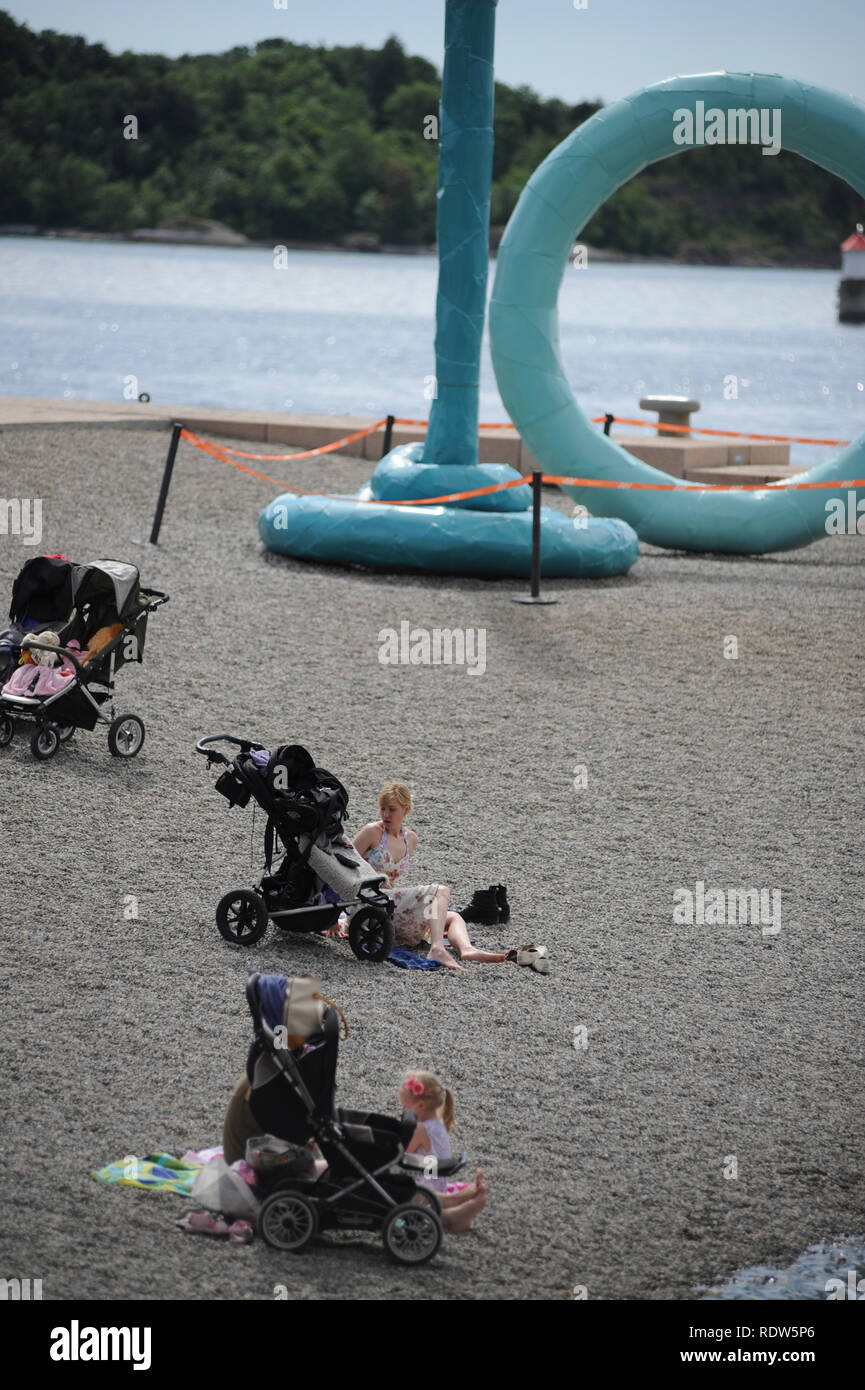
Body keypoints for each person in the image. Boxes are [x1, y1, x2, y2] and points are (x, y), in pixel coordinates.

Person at [348, 781, 510, 972]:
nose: (385, 815)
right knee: (440, 892)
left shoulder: (411, 839)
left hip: (389, 904)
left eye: (392, 809)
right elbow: (344, 866)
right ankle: (437, 948)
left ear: (406, 809)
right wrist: (334, 915)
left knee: (451, 916)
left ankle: (466, 949)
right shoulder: (372, 832)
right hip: (368, 903)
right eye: (383, 809)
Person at [400, 1070, 487, 1233]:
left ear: (420, 1106)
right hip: (437, 1178)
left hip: (425, 1185)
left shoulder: (419, 1129)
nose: (403, 1108)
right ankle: (459, 1209)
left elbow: (401, 1154)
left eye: (405, 1104)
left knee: (402, 1191)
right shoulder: (439, 1122)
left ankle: (452, 1202)